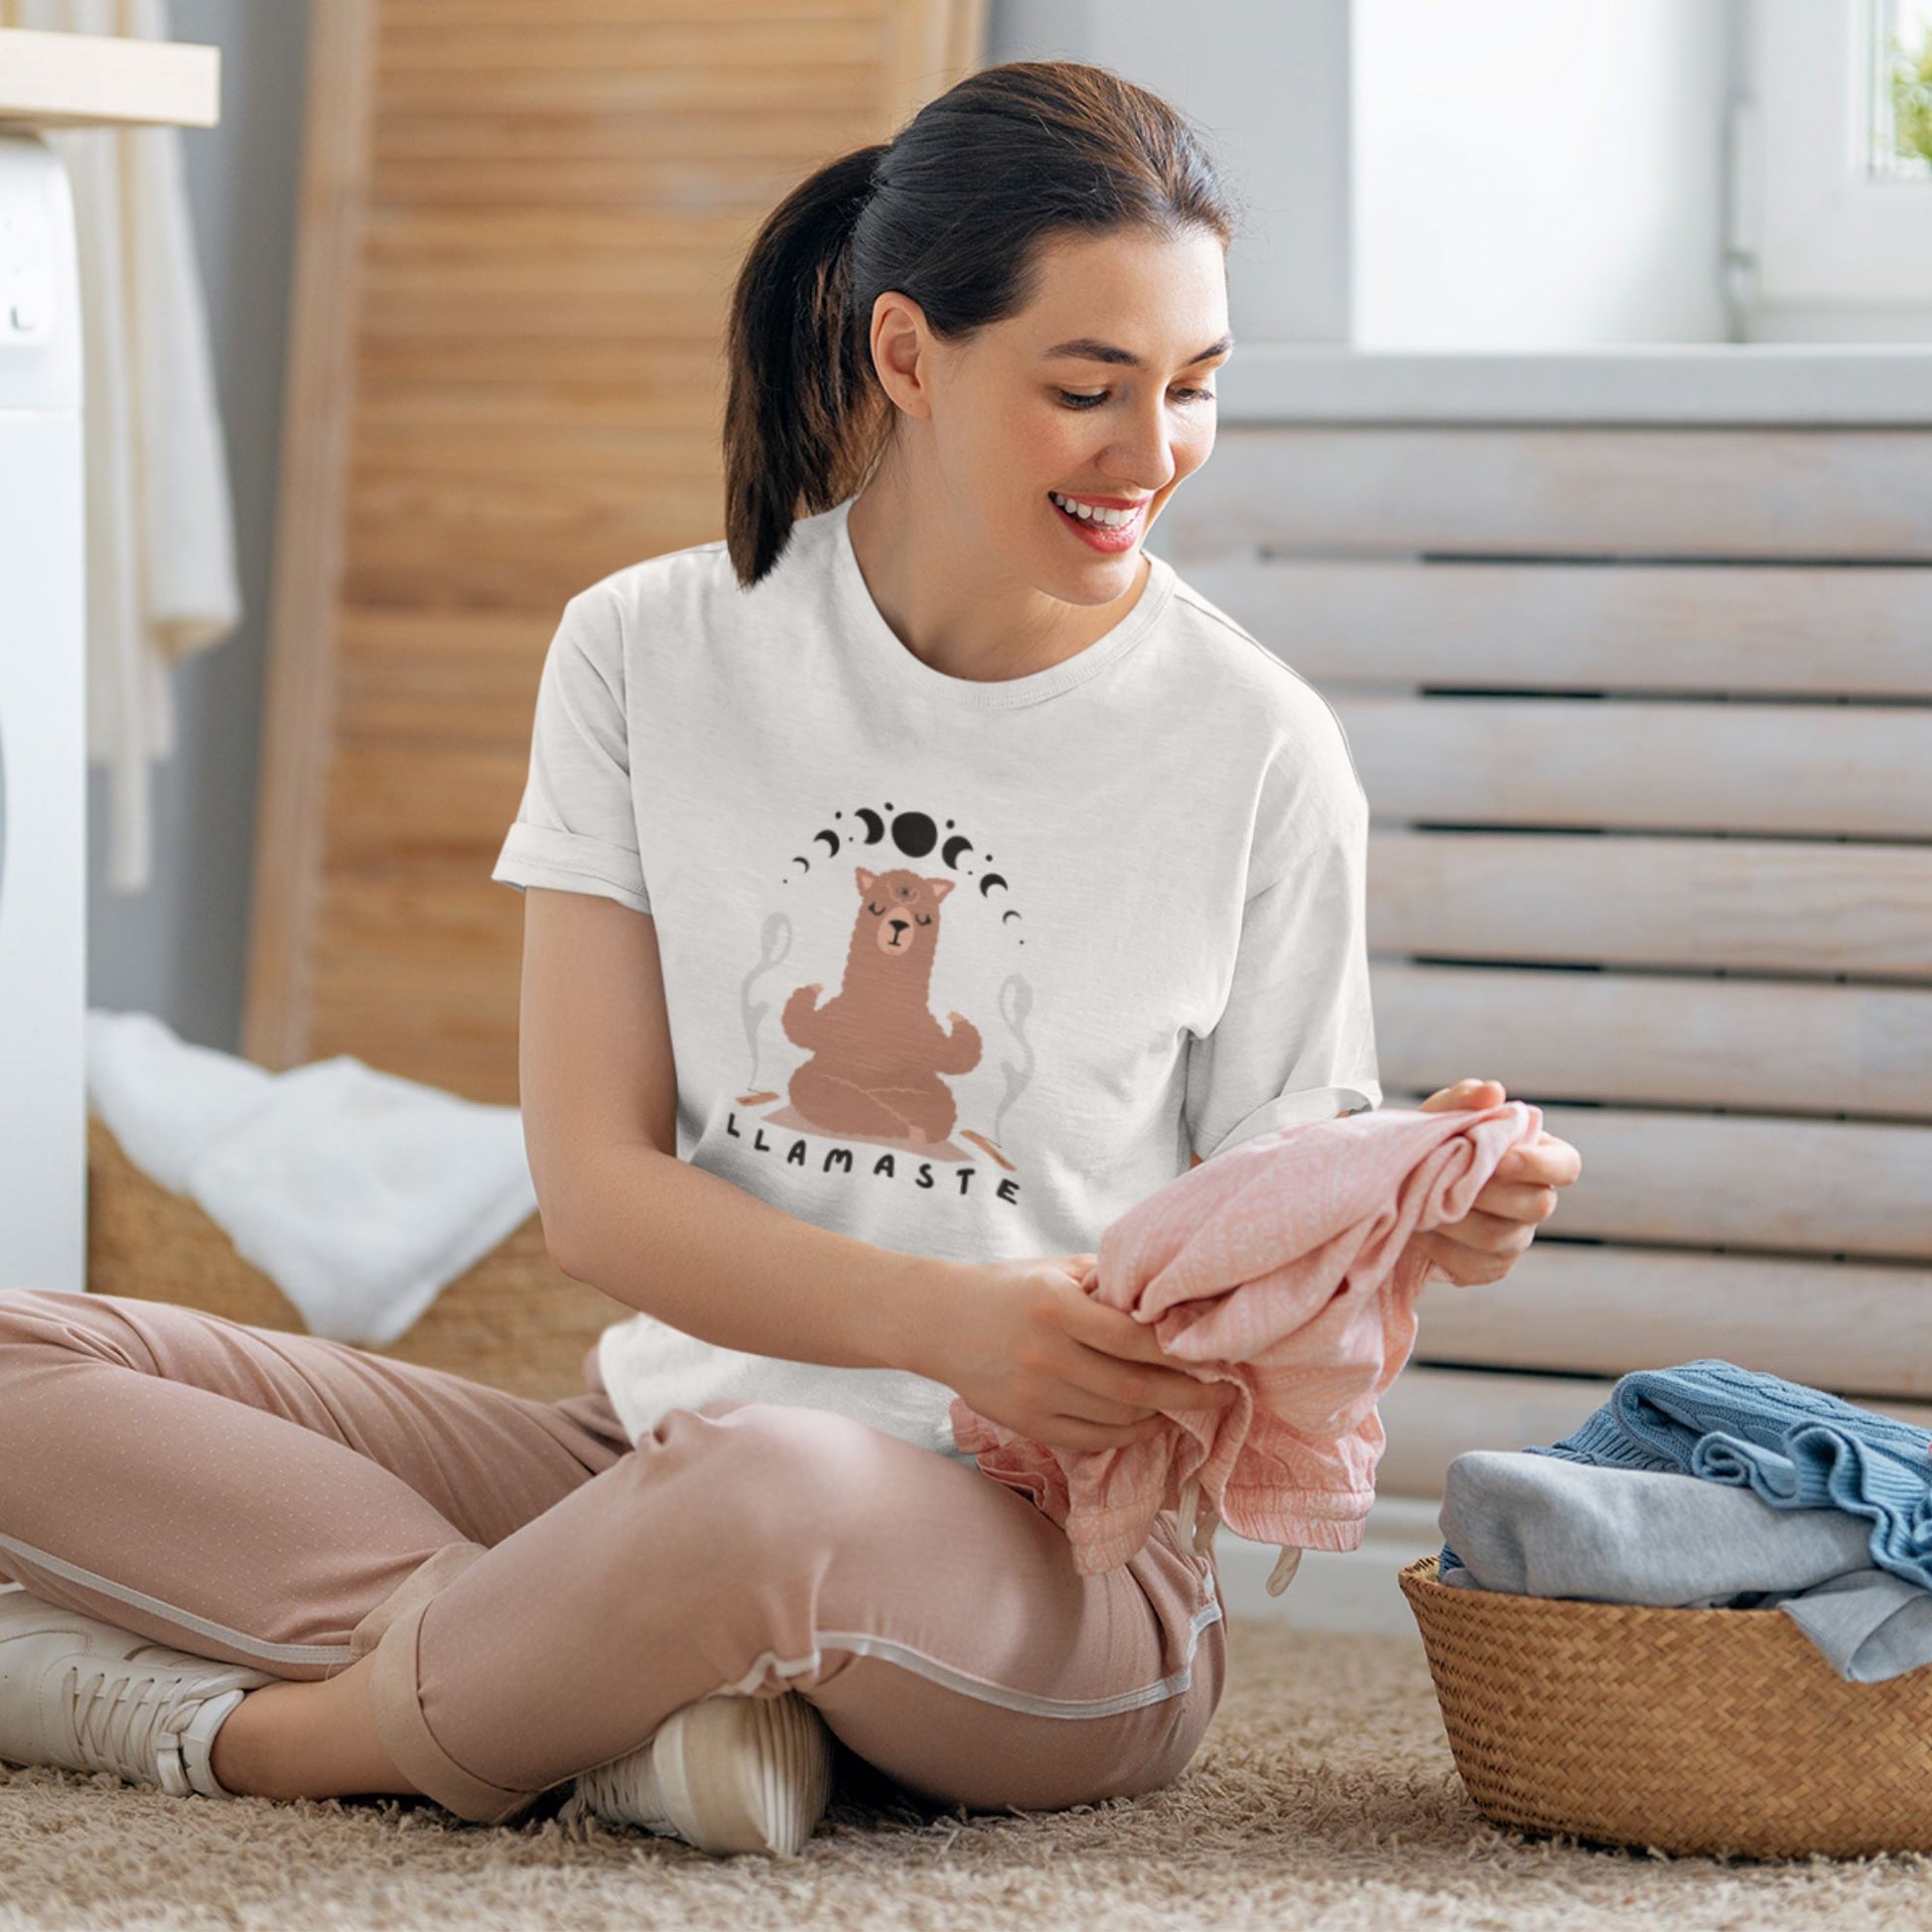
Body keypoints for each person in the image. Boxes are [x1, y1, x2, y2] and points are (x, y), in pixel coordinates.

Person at [0, 60, 1579, 1858]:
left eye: (1195, 389)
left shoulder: (1257, 745)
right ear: (905, 354)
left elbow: (1273, 1208)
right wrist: (957, 1319)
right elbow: (596, 1195)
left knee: (758, 1501)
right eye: (1089, 386)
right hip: (642, 1460)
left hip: (1066, 1564)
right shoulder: (643, 652)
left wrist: (1410, 1212)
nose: (1153, 454)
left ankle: (271, 1733)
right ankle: (622, 1686)